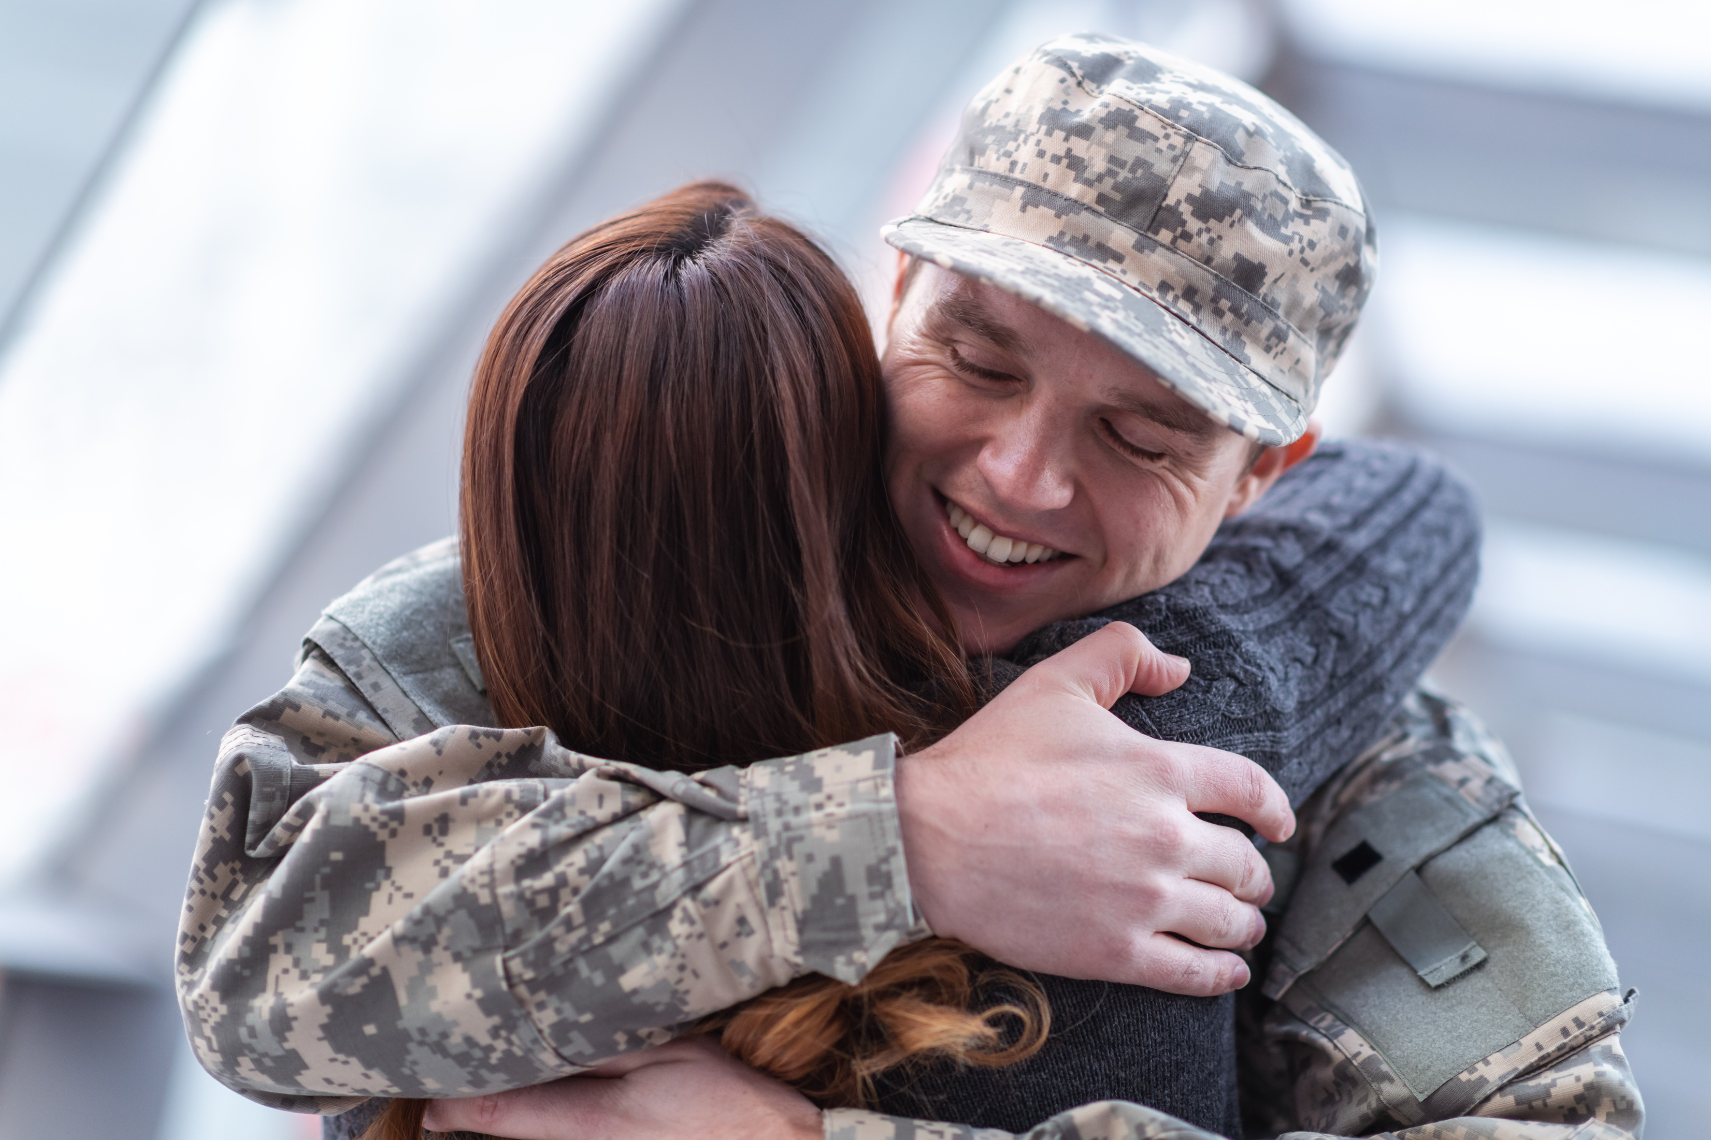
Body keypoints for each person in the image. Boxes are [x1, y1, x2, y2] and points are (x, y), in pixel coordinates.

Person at [175, 32, 1638, 1140]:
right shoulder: (598, 579)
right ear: (896, 292)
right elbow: (260, 969)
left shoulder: (1354, 768)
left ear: (1263, 473)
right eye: (977, 359)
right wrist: (886, 840)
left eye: (1141, 436)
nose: (1019, 477)